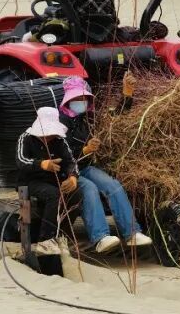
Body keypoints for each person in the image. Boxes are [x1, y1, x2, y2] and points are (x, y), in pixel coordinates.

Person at [58, 75, 152, 253]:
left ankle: (132, 233)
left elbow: (113, 119)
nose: (81, 102)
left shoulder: (88, 118)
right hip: (68, 171)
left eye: (84, 98)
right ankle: (100, 237)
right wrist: (84, 150)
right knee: (90, 189)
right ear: (68, 100)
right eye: (77, 98)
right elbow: (61, 153)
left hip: (85, 167)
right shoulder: (60, 122)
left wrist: (127, 95)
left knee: (112, 185)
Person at [15, 106, 81, 253]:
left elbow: (71, 161)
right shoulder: (26, 138)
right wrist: (41, 164)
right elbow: (21, 160)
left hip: (53, 180)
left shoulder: (59, 140)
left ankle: (62, 236)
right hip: (30, 181)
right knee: (54, 195)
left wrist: (72, 177)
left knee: (76, 194)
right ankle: (45, 240)